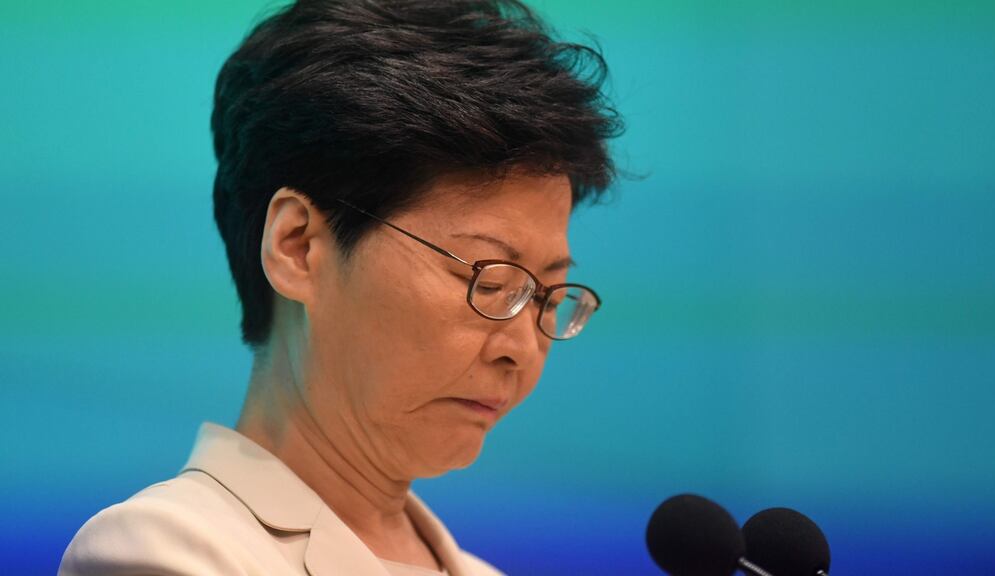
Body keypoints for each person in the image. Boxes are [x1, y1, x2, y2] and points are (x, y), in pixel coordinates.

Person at [59, 0, 620, 574]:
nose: (521, 349)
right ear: (298, 246)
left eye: (548, 295)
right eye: (490, 279)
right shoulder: (163, 549)